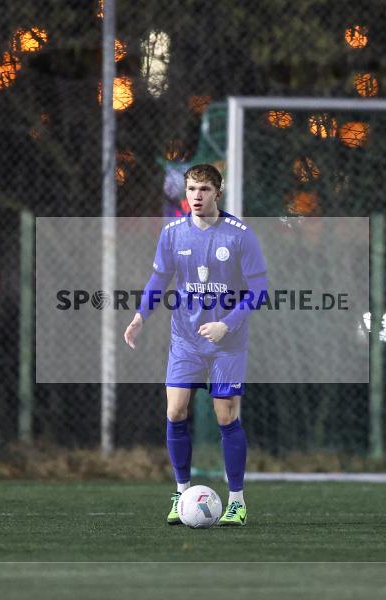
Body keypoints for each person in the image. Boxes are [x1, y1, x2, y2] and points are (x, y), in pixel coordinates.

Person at [124, 164, 268, 526]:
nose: (196, 196)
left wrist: (226, 324)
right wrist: (141, 316)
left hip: (227, 344)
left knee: (226, 417)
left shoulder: (239, 235)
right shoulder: (173, 233)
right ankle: (181, 492)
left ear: (217, 192)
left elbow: (260, 291)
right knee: (174, 412)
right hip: (185, 342)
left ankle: (237, 501)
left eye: (204, 189)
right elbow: (159, 278)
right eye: (191, 189)